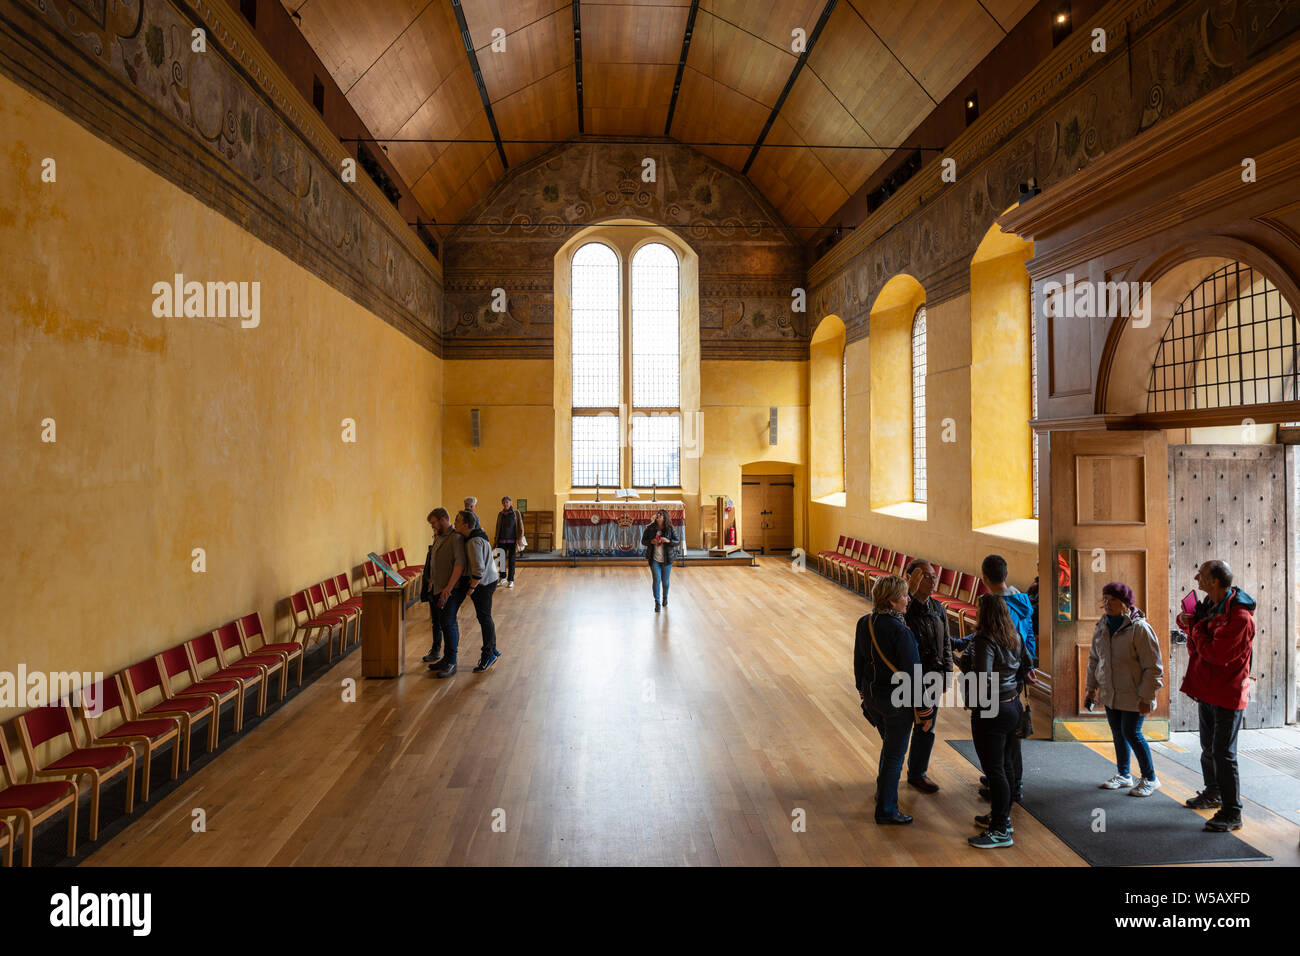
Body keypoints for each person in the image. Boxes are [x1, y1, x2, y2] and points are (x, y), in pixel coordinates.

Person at [1176, 560, 1256, 832]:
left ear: (1213, 581)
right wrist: (1189, 623)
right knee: (1208, 747)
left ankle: (1233, 812)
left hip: (1229, 692)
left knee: (1224, 754)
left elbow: (1215, 654)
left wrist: (1196, 628)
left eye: (1202, 574)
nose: (1196, 576)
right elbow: (1198, 647)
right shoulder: (1211, 605)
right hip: (1208, 688)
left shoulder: (1240, 617)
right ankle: (1213, 793)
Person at [855, 574, 935, 825]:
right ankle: (887, 810)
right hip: (896, 704)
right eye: (903, 595)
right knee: (894, 756)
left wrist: (862, 692)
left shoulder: (865, 622)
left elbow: (858, 663)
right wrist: (925, 712)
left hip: (872, 699)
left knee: (889, 748)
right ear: (891, 600)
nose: (908, 599)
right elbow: (914, 676)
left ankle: (883, 792)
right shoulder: (902, 632)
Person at [957, 593, 1032, 848]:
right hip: (1013, 706)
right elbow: (1026, 666)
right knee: (1006, 767)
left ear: (983, 614)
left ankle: (1000, 830)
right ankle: (1002, 817)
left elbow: (983, 677)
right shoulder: (1014, 636)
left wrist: (971, 696)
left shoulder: (984, 640)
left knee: (995, 770)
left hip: (991, 710)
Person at [1085, 582, 1164, 796]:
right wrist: (1090, 689)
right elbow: (1094, 659)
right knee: (1118, 732)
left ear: (1126, 604)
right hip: (1111, 692)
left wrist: (1147, 696)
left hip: (1135, 694)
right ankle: (1124, 774)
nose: (1107, 604)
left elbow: (1153, 667)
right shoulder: (1102, 625)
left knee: (1132, 732)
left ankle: (1150, 778)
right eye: (1105, 600)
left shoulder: (1139, 628)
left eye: (1113, 600)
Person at [902, 558, 952, 794]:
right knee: (902, 728)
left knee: (926, 727)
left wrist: (948, 673)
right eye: (926, 576)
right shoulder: (904, 608)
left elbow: (946, 644)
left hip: (932, 676)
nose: (932, 581)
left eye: (934, 576)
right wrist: (908, 595)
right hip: (907, 678)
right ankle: (890, 774)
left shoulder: (938, 608)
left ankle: (918, 773)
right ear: (911, 578)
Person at [420, 508, 468, 667]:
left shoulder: (455, 538)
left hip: (449, 590)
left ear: (442, 520)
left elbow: (459, 563)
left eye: (433, 523)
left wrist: (449, 586)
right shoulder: (439, 537)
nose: (432, 526)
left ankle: (451, 661)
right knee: (439, 622)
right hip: (435, 587)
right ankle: (443, 658)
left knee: (448, 623)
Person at [456, 509, 501, 673]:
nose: (455, 524)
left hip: (483, 584)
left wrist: (471, 587)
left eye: (457, 521)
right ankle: (493, 649)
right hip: (488, 581)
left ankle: (488, 654)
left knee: (484, 618)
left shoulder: (473, 542)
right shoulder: (477, 535)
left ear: (466, 524)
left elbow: (479, 569)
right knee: (485, 617)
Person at [979, 555, 1037, 665]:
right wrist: (1029, 665)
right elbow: (1030, 636)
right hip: (1021, 663)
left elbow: (988, 642)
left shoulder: (992, 606)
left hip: (1002, 667)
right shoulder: (1024, 600)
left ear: (984, 578)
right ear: (1006, 574)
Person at [642, 509, 678, 612]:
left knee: (665, 582)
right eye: (657, 515)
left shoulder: (670, 529)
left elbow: (677, 541)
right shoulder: (650, 528)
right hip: (654, 560)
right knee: (656, 580)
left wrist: (668, 541)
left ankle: (665, 597)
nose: (658, 516)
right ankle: (657, 602)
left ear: (665, 517)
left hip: (667, 560)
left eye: (660, 515)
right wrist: (650, 541)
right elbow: (643, 541)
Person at [493, 496, 526, 589]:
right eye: (503, 502)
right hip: (502, 541)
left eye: (507, 502)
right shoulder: (500, 514)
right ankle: (502, 577)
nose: (505, 504)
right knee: (502, 560)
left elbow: (520, 526)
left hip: (512, 541)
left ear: (511, 503)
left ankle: (511, 580)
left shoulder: (516, 513)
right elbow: (497, 527)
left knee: (511, 561)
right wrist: (496, 540)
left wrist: (519, 538)